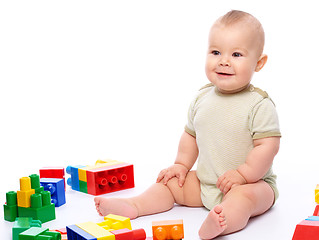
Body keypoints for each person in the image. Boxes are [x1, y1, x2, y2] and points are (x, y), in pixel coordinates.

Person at [94, 10, 281, 239]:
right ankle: (136, 205)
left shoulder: (259, 104)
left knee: (244, 199)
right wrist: (182, 165)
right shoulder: (202, 98)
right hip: (207, 182)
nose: (223, 60)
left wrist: (243, 175)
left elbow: (268, 146)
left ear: (259, 63)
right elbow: (191, 136)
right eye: (216, 52)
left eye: (236, 54)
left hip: (253, 183)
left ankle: (222, 223)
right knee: (172, 183)